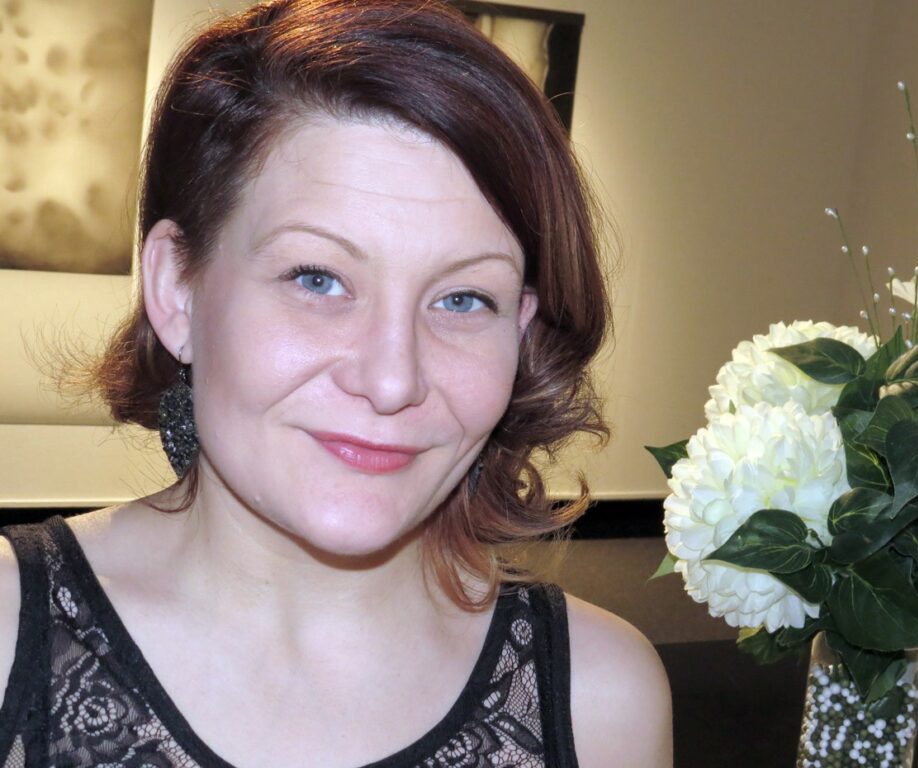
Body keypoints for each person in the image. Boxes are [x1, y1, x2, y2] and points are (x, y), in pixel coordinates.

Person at [0, 0, 673, 765]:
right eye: (317, 279)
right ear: (176, 290)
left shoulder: (600, 699)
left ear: (519, 332)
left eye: (462, 299)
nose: (391, 380)